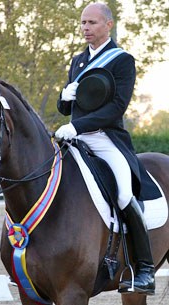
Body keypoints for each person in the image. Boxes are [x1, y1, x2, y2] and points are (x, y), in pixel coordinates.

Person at [55, 2, 162, 295]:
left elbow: (117, 108)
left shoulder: (122, 60)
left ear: (108, 25)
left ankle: (144, 269)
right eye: (82, 23)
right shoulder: (77, 61)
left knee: (125, 194)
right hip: (74, 137)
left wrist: (78, 126)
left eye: (91, 23)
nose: (85, 28)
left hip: (106, 139)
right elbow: (65, 109)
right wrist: (64, 98)